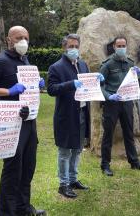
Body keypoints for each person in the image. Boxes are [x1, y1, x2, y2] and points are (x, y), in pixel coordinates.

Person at [0, 26, 45, 216]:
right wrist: (8, 91)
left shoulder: (25, 59)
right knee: (12, 171)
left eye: (26, 37)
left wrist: (37, 83)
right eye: (18, 37)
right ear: (8, 39)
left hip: (29, 121)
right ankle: (8, 213)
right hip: (11, 124)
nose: (23, 41)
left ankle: (23, 208)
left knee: (28, 167)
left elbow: (28, 86)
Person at [48, 34, 102, 198]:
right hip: (66, 115)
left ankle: (73, 179)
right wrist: (70, 84)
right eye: (70, 46)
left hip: (82, 113)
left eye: (76, 46)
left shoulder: (83, 64)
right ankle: (63, 184)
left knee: (78, 149)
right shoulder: (56, 67)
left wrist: (99, 80)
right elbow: (51, 89)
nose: (74, 49)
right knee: (65, 151)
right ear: (64, 48)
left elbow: (89, 86)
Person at [99, 36, 140, 176]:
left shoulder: (130, 63)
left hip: (127, 103)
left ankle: (134, 162)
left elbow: (133, 83)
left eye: (124, 45)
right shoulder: (107, 64)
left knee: (129, 133)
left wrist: (138, 75)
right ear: (114, 47)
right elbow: (99, 85)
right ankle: (105, 165)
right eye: (119, 46)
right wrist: (109, 96)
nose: (122, 48)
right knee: (108, 135)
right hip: (112, 103)